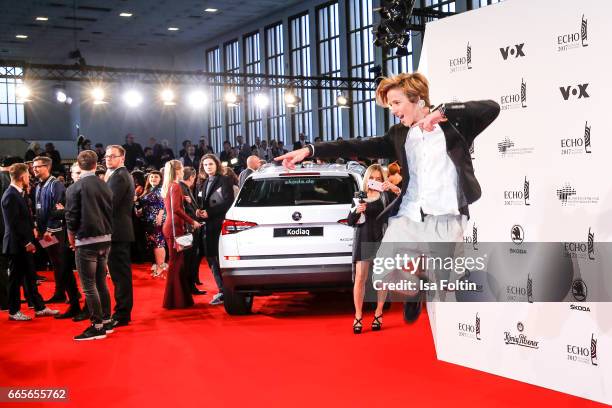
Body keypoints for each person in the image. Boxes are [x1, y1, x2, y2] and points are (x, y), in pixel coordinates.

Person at [276, 72, 500, 323]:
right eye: (389, 105)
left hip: (446, 215)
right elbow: (356, 146)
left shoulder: (453, 126)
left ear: (417, 99)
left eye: (396, 103)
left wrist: (443, 111)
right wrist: (310, 150)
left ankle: (432, 280)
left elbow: (492, 108)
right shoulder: (398, 135)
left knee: (445, 287)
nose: (392, 110)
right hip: (410, 214)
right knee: (382, 274)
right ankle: (416, 288)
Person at [65, 150, 114, 340]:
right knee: (101, 282)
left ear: (79, 164)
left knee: (89, 285)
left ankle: (97, 326)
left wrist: (71, 238)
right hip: (105, 238)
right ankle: (107, 321)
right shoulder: (105, 185)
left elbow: (71, 217)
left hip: (86, 241)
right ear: (96, 164)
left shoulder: (74, 188)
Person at [347, 164, 400, 334]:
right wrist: (357, 211)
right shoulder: (359, 196)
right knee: (360, 279)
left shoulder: (386, 196)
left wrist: (394, 188)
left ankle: (378, 312)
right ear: (366, 178)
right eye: (372, 178)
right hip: (363, 239)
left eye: (378, 179)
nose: (375, 181)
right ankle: (358, 316)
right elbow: (350, 221)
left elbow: (403, 203)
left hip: (381, 239)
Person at [2, 163, 59, 320]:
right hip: (17, 245)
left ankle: (39, 307)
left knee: (30, 276)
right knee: (15, 279)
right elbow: (13, 224)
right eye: (27, 175)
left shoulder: (18, 194)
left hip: (23, 243)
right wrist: (26, 242)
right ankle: (14, 311)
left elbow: (22, 220)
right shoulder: (10, 195)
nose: (30, 177)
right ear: (22, 177)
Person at [32, 156, 72, 306]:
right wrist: (37, 226)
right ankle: (60, 293)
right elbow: (38, 208)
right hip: (44, 231)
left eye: (38, 166)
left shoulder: (56, 185)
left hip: (54, 231)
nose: (34, 168)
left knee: (60, 261)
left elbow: (58, 209)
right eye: (34, 166)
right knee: (54, 261)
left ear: (47, 167)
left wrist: (48, 229)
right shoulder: (39, 185)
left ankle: (67, 293)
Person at [161, 160, 201, 309]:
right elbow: (176, 210)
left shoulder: (168, 186)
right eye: (182, 168)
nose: (183, 170)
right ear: (178, 170)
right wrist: (192, 221)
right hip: (175, 228)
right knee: (176, 263)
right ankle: (174, 300)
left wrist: (183, 200)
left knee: (176, 262)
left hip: (172, 227)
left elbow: (173, 206)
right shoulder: (176, 186)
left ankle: (177, 299)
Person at [196, 154, 234, 305]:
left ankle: (225, 291)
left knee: (217, 259)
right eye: (205, 165)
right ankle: (223, 290)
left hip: (219, 225)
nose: (208, 167)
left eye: (210, 164)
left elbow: (228, 202)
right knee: (211, 258)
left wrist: (209, 212)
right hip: (208, 225)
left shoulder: (224, 180)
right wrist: (199, 211)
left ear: (217, 165)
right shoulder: (204, 182)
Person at [105, 145, 135, 327]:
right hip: (118, 230)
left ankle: (122, 314)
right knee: (118, 275)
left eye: (112, 156)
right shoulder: (117, 175)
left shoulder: (120, 176)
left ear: (122, 158)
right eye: (106, 156)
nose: (108, 159)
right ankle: (121, 312)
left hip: (118, 231)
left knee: (120, 275)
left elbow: (110, 203)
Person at [179, 167, 205, 295]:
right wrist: (193, 220)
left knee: (190, 259)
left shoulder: (183, 188)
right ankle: (188, 288)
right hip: (188, 230)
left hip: (189, 228)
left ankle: (189, 287)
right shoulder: (182, 188)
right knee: (188, 259)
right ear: (192, 177)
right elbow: (182, 210)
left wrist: (196, 212)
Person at [138, 171, 167, 278]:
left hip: (156, 220)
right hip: (147, 219)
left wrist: (160, 216)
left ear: (160, 179)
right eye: (151, 177)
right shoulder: (149, 190)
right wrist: (140, 210)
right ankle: (157, 265)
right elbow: (145, 204)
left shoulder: (160, 190)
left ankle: (160, 267)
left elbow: (163, 205)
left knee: (158, 243)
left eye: (156, 177)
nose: (153, 179)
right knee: (152, 243)